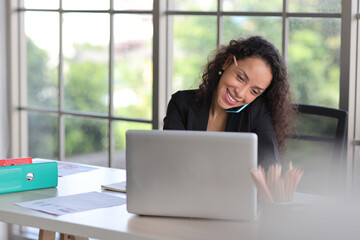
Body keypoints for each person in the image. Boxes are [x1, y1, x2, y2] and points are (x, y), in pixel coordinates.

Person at [163, 36, 297, 168]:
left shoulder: (257, 113)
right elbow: (169, 163)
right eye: (240, 77)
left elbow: (270, 170)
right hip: (184, 189)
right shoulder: (181, 103)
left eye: (254, 91)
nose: (240, 93)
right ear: (227, 62)